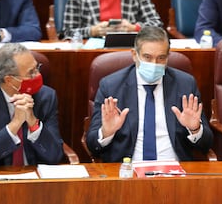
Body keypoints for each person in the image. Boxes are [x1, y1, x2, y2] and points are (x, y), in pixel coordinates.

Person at [86, 26, 213, 162]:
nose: (154, 64)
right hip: (127, 170)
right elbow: (93, 145)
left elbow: (206, 144)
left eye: (161, 58)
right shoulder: (111, 86)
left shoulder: (185, 84)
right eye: (147, 57)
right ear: (135, 55)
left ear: (168, 57)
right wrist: (106, 133)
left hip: (174, 171)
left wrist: (195, 129)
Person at [0, 44, 64, 168]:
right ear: (9, 80)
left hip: (36, 177)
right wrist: (14, 125)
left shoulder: (46, 97)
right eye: (31, 72)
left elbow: (55, 155)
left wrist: (33, 123)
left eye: (37, 68)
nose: (38, 75)